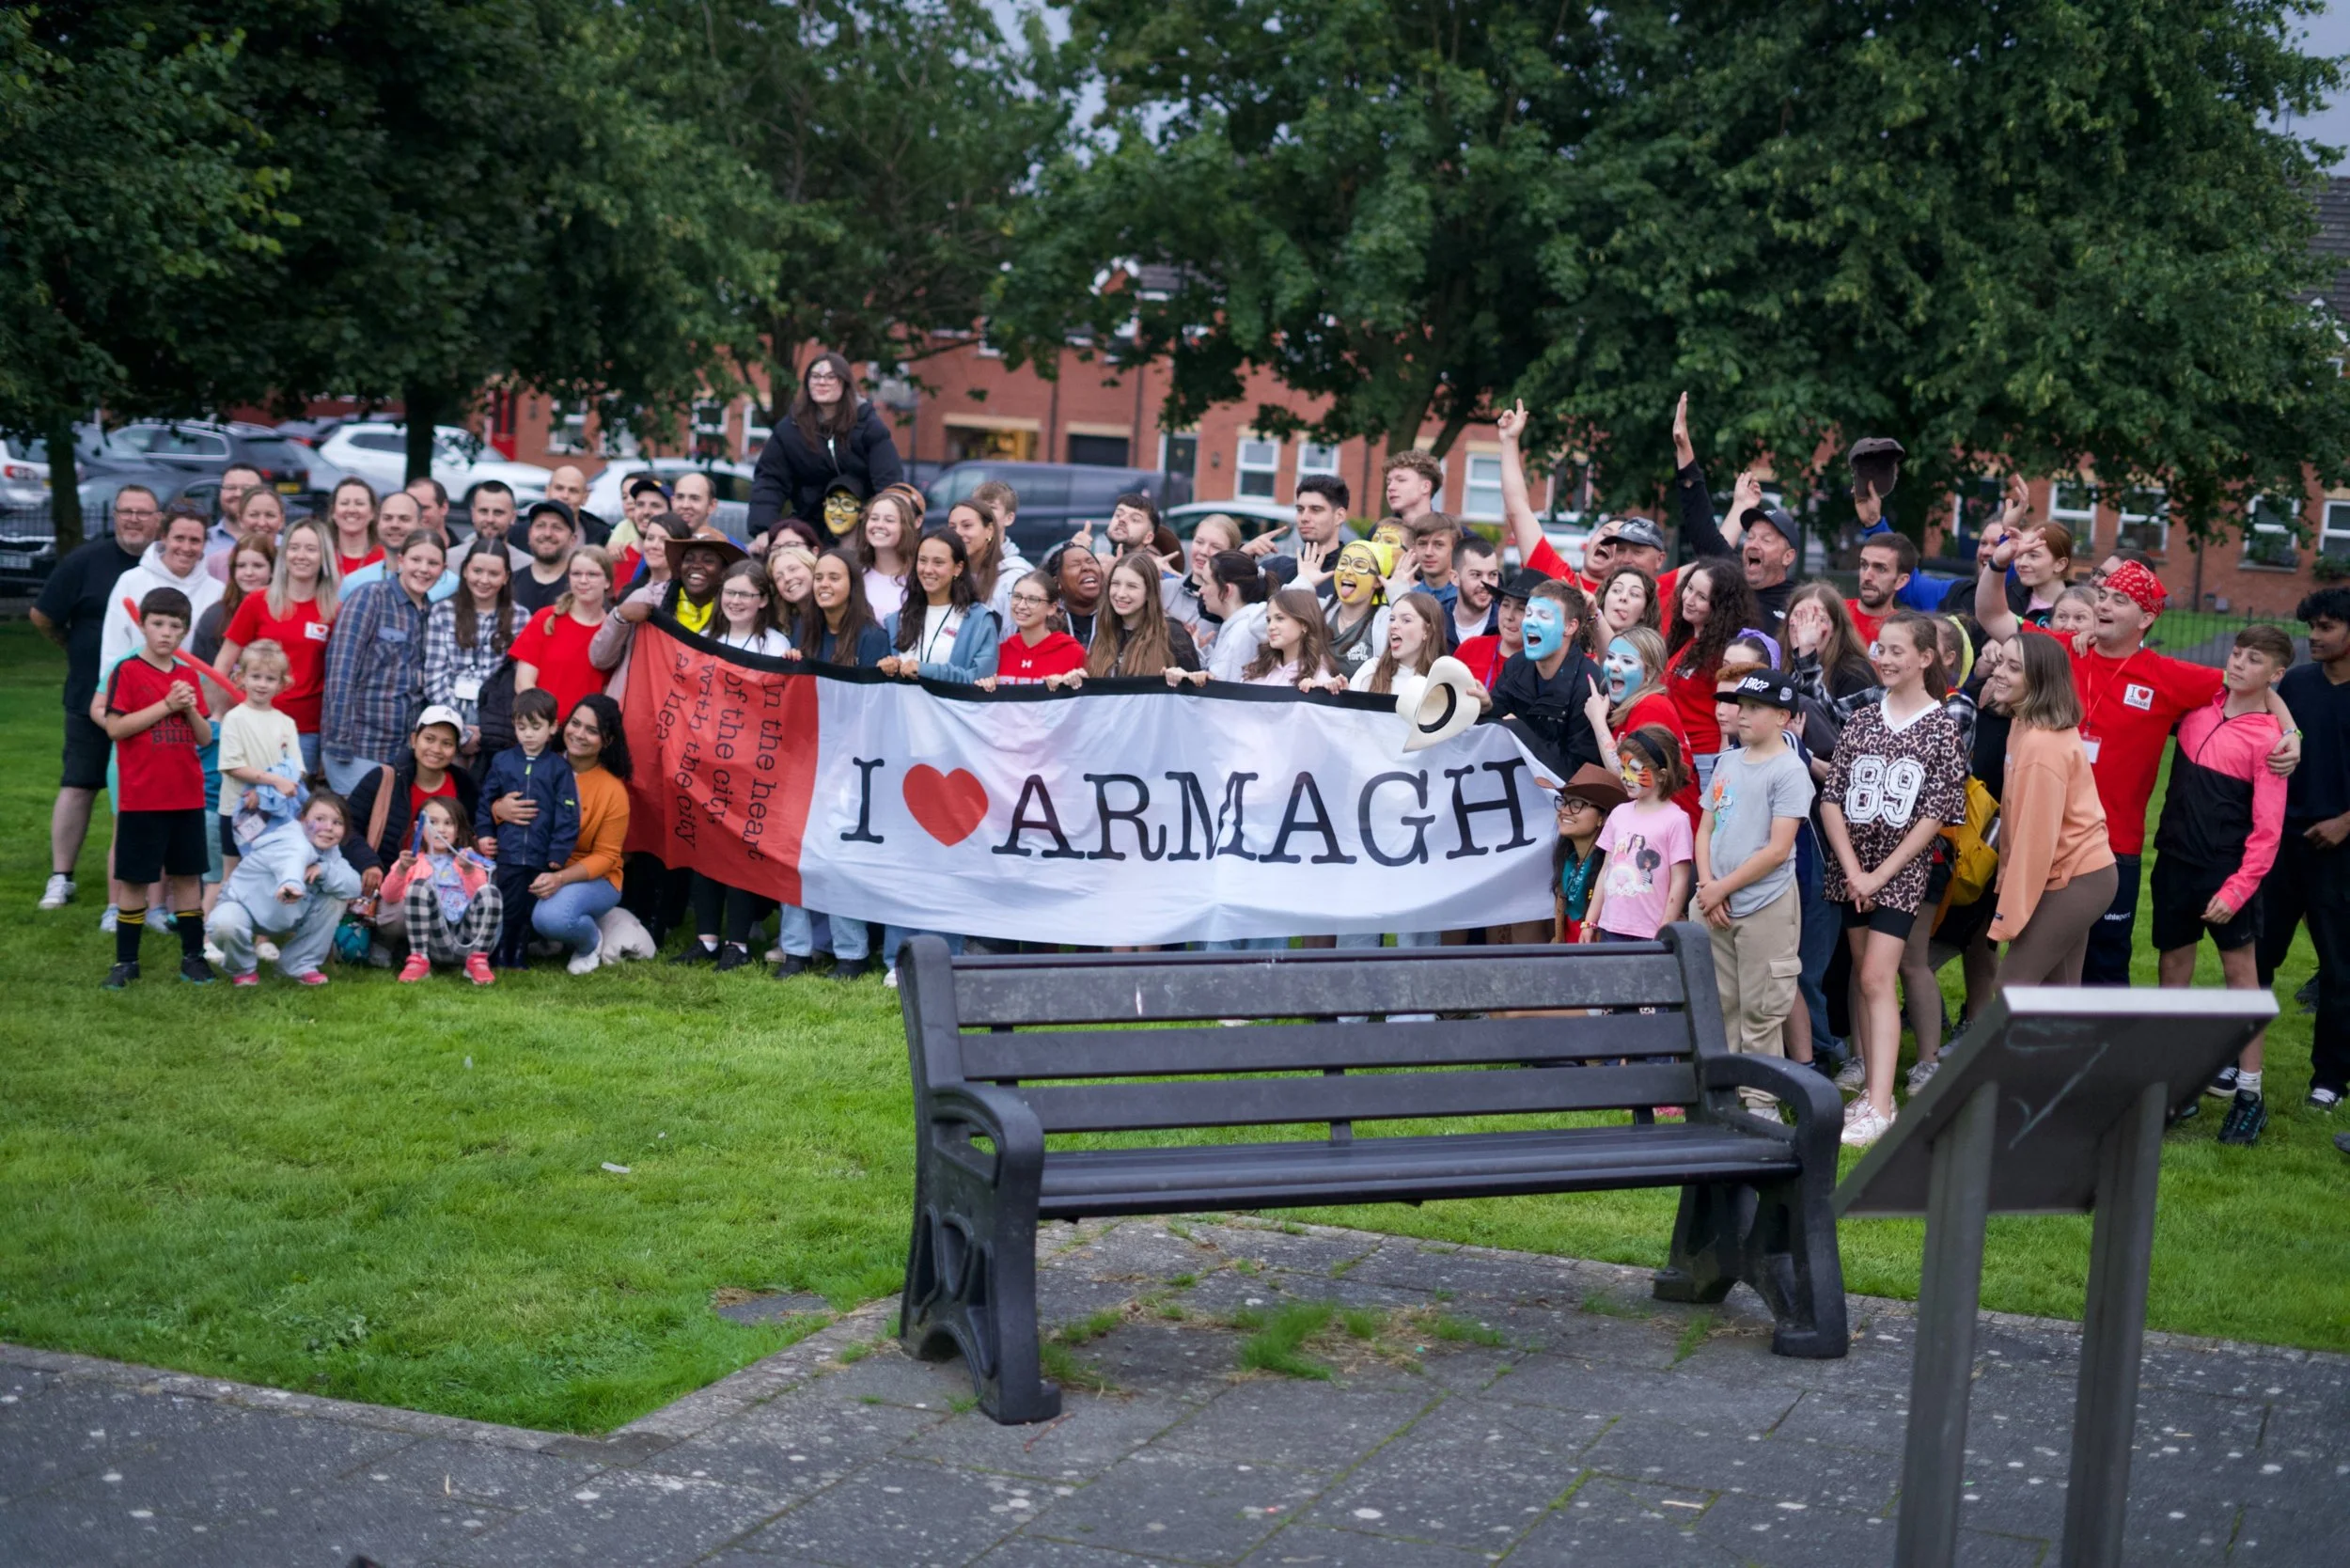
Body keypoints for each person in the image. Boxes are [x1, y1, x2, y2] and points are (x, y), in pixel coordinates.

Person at [1976, 517, 2296, 985]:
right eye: (2103, 596)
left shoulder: (2168, 676)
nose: (2103, 605)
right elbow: (1993, 617)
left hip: (2113, 849)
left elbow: (2249, 686)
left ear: (2146, 618)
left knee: (2103, 970)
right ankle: (2047, 1056)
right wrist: (1999, 564)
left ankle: (2099, 1058)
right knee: (2045, 969)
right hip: (2043, 840)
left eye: (2119, 601)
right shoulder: (2062, 649)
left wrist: (2291, 732)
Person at [1818, 613, 1969, 1145]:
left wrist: (1878, 873)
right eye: (1880, 648)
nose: (1882, 658)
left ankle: (1882, 1106)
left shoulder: (1941, 726)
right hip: (1851, 867)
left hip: (1899, 874)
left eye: (1896, 650)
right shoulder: (1861, 720)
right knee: (1864, 974)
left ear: (1925, 659)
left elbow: (1935, 815)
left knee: (1879, 978)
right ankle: (1871, 1090)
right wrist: (1854, 869)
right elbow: (1832, 796)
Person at [2152, 625, 2292, 1144]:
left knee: (2242, 979)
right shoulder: (2196, 711)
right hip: (2174, 863)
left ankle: (2250, 1094)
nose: (2237, 664)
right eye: (2236, 654)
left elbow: (2269, 829)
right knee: (2172, 968)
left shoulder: (2270, 740)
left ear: (2275, 675)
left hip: (2226, 874)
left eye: (2253, 660)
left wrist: (2238, 888)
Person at [35, 482, 161, 910]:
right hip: (93, 696)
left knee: (145, 795)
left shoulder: (162, 566)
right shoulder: (86, 560)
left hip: (148, 704)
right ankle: (61, 876)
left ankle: (145, 888)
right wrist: (74, 647)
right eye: (126, 511)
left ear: (157, 519)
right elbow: (43, 615)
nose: (134, 519)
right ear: (114, 517)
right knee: (79, 784)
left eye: (143, 512)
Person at [1696, 669, 1815, 1107]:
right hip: (1714, 902)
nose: (1740, 715)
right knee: (1722, 1003)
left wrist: (1720, 888)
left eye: (1754, 708)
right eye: (1739, 706)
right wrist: (1708, 886)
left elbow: (1778, 849)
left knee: (1761, 1009)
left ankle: (1761, 1102)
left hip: (1764, 905)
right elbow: (1706, 826)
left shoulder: (1789, 771)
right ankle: (1725, 1097)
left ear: (1783, 716)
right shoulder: (1727, 761)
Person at [96, 588, 215, 987]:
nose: (166, 633)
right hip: (142, 796)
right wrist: (165, 706)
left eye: (175, 626)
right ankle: (126, 962)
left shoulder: (188, 676)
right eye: (158, 624)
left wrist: (188, 708)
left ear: (184, 632)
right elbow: (115, 727)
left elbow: (203, 738)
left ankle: (193, 957)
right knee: (135, 879)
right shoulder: (127, 671)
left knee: (186, 877)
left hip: (186, 795)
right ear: (143, 624)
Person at [2259, 588, 2350, 1114]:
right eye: (2312, 626)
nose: (2313, 637)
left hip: (2341, 854)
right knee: (2257, 955)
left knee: (2340, 968)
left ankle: (2331, 1077)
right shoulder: (2293, 685)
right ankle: (2231, 1058)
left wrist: (2344, 823)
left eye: (2327, 627)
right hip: (2282, 847)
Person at [1983, 631, 2118, 988]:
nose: (2000, 672)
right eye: (2001, 661)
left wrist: (2006, 916)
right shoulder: (2023, 723)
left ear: (2039, 680)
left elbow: (2034, 841)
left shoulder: (2042, 747)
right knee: (2058, 995)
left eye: (2014, 667)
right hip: (2068, 873)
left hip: (2074, 876)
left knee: (2012, 986)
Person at [341, 706, 483, 957]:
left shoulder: (464, 785)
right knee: (399, 915)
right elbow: (347, 827)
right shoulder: (384, 777)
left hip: (446, 881)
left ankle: (430, 949)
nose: (436, 749)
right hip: (394, 879)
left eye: (447, 743)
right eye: (429, 739)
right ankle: (387, 940)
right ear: (414, 739)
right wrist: (369, 863)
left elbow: (474, 830)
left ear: (456, 750)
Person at [321, 532, 446, 797]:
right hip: (359, 747)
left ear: (443, 570)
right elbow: (340, 672)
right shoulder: (370, 598)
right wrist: (340, 742)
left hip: (403, 754)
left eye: (433, 563)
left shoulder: (433, 613)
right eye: (416, 560)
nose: (423, 569)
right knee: (357, 830)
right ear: (400, 561)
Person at [216, 517, 339, 778]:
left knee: (291, 807)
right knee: (247, 804)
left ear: (323, 556)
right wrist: (226, 710)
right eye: (294, 548)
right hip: (254, 720)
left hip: (305, 730)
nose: (301, 556)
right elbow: (224, 663)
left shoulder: (334, 610)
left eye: (310, 549)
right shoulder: (257, 602)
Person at [471, 685, 580, 969]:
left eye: (535, 727)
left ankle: (521, 951)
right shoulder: (503, 761)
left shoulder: (559, 768)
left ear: (553, 727)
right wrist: (484, 833)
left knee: (530, 906)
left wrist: (558, 852)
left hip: (540, 855)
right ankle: (500, 951)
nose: (528, 734)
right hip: (508, 853)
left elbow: (567, 814)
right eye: (521, 727)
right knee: (507, 903)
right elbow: (486, 801)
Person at [208, 792, 359, 987]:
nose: (328, 828)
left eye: (337, 822)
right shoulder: (292, 840)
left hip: (288, 914)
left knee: (337, 896)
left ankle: (297, 965)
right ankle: (242, 969)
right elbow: (293, 860)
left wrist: (324, 869)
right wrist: (292, 884)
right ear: (303, 820)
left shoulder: (331, 852)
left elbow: (354, 886)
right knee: (224, 924)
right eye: (320, 819)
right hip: (243, 907)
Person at [745, 351, 906, 534]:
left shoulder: (868, 426)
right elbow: (770, 479)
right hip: (809, 525)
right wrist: (762, 530)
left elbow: (889, 484)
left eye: (831, 377)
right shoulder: (790, 428)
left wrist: (883, 526)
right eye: (815, 376)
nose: (822, 382)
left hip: (862, 527)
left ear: (844, 383)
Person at [529, 693, 633, 975]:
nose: (579, 734)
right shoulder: (538, 765)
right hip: (537, 865)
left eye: (592, 730)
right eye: (575, 724)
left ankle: (590, 941)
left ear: (607, 741)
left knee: (552, 918)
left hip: (594, 878)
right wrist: (501, 809)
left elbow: (607, 856)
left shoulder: (613, 791)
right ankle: (547, 942)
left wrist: (560, 878)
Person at [1582, 727, 1695, 942]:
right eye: (1623, 768)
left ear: (1662, 775)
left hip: (1650, 933)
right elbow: (1606, 870)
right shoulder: (1618, 814)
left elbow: (1679, 880)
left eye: (1634, 769)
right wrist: (1590, 921)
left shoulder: (1676, 820)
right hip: (1611, 928)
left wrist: (1665, 929)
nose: (1625, 777)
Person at [424, 546, 525, 776]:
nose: (484, 580)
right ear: (465, 571)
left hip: (496, 719)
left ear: (506, 577)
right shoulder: (443, 611)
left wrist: (489, 730)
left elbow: (517, 678)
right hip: (448, 716)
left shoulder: (520, 617)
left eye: (493, 573)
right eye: (477, 571)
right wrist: (460, 732)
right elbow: (434, 677)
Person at [1491, 578, 1603, 779]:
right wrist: (1484, 706)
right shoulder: (1515, 666)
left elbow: (1579, 769)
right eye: (1530, 613)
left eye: (1544, 615)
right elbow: (1491, 727)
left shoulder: (1589, 684)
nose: (1530, 622)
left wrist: (1520, 732)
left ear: (1570, 627)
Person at [1664, 558, 1760, 791]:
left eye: (1702, 597)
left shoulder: (1725, 654)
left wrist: (1722, 766)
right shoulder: (1685, 642)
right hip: (1678, 756)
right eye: (1689, 589)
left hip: (1704, 762)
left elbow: (1732, 712)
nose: (1689, 599)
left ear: (1720, 607)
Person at [384, 797, 500, 985]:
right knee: (418, 885)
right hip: (434, 942)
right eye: (433, 822)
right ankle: (418, 960)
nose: (441, 829)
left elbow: (481, 899)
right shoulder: (412, 862)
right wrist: (401, 870)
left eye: (449, 823)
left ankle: (478, 961)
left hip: (468, 941)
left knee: (491, 891)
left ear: (458, 829)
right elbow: (388, 896)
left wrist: (469, 869)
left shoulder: (467, 859)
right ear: (418, 827)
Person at [213, 639, 301, 886]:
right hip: (236, 811)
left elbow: (296, 770)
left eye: (270, 679)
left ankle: (261, 923)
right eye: (256, 676)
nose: (262, 684)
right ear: (241, 678)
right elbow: (232, 765)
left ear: (282, 683)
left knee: (269, 874)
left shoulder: (286, 723)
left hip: (275, 812)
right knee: (234, 873)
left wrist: (264, 794)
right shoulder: (234, 718)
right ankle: (219, 923)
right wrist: (271, 782)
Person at [512, 546, 614, 720]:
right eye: (576, 574)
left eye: (592, 574)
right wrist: (546, 723)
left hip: (586, 734)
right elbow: (523, 683)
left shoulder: (613, 630)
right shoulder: (545, 618)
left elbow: (609, 692)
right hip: (543, 727)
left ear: (607, 582)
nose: (583, 580)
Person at [1063, 552, 1195, 683]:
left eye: (1131, 586)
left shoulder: (1173, 635)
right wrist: (1077, 680)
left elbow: (1194, 696)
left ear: (1149, 591)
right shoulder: (1102, 632)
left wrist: (1184, 678)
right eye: (1115, 584)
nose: (1120, 593)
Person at [340, 491, 460, 602]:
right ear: (378, 523)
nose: (395, 525)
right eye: (387, 518)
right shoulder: (354, 583)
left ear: (420, 524)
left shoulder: (451, 585)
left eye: (404, 519)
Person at [1552, 764, 1626, 943]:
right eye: (1564, 802)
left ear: (1603, 818)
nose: (1565, 811)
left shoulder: (1616, 872)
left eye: (1577, 804)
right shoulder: (1568, 861)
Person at [982, 571, 1087, 688]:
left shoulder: (1072, 652)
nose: (1021, 606)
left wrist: (1067, 685)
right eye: (1017, 596)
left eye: (1033, 600)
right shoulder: (999, 652)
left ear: (1052, 608)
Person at [1252, 474, 1356, 588]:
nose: (1304, 518)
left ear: (1339, 516)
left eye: (1315, 510)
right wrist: (1244, 554)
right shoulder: (1275, 569)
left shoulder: (1351, 576)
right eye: (1300, 510)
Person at [796, 547, 893, 666]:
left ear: (853, 584)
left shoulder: (873, 637)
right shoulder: (803, 628)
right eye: (818, 578)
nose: (824, 584)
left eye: (834, 578)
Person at [191, 533, 273, 667]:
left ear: (273, 570)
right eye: (241, 566)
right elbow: (202, 672)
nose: (248, 572)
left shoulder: (283, 613)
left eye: (258, 566)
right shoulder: (215, 616)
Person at [1351, 590, 1449, 694]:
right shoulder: (1371, 669)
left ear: (1427, 631)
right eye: (1392, 619)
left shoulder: (1443, 680)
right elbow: (1348, 708)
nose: (1393, 625)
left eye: (1406, 620)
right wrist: (1340, 693)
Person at [948, 494, 1027, 623]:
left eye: (967, 526)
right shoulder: (949, 574)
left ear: (989, 530)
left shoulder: (1012, 579)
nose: (958, 533)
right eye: (952, 527)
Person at [1322, 541, 1394, 683]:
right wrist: (1303, 582)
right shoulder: (1320, 609)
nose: (1347, 571)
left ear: (1378, 582)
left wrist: (1398, 595)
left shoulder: (1387, 621)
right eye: (1343, 564)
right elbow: (1270, 623)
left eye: (1359, 566)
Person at [1455, 565, 1536, 688]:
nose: (1509, 616)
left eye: (1521, 609)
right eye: (1505, 605)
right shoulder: (1471, 648)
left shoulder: (1541, 664)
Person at [1241, 588, 1337, 688]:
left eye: (1280, 618)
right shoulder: (1259, 665)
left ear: (1304, 624)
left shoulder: (1319, 679)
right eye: (1269, 620)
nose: (1270, 627)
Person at [1201, 552, 1272, 682]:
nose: (1201, 590)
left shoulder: (1242, 632)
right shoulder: (1239, 626)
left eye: (1206, 583)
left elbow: (1222, 690)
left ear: (1227, 590)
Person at [708, 559, 796, 657]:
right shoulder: (704, 638)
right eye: (730, 592)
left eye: (745, 595)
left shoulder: (775, 644)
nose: (735, 601)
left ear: (763, 600)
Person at [856, 489, 919, 621]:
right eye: (874, 518)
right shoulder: (855, 574)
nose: (879, 525)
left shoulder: (918, 578)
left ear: (904, 528)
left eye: (889, 520)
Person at [512, 499, 579, 615]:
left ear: (572, 540)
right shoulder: (510, 583)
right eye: (540, 526)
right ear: (529, 534)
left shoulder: (582, 586)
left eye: (557, 527)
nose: (547, 534)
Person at [1848, 533, 1916, 644]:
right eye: (1864, 565)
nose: (1867, 576)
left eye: (1881, 569)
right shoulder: (1833, 614)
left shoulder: (1907, 633)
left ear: (1901, 581)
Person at [202, 463, 267, 577]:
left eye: (247, 489)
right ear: (220, 492)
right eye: (231, 488)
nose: (238, 494)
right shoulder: (202, 542)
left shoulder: (282, 545)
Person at [451, 479, 528, 573]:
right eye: (483, 511)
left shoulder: (527, 567)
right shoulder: (450, 561)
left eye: (498, 512)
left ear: (513, 517)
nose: (490, 519)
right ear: (473, 514)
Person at [1448, 535, 1501, 647]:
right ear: (1454, 578)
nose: (1485, 583)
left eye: (1493, 575)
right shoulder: (1435, 621)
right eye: (1476, 575)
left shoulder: (1505, 627)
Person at [1403, 513, 1461, 615]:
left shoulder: (1464, 598)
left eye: (1438, 545)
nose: (1428, 552)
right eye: (1422, 544)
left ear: (1455, 548)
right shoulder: (1407, 596)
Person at [326, 477, 382, 577]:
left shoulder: (386, 559)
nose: (351, 510)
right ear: (333, 512)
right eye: (344, 503)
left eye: (359, 503)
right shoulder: (321, 556)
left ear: (372, 513)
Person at [544, 463, 610, 545]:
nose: (565, 496)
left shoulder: (601, 536)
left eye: (573, 491)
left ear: (585, 498)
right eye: (559, 488)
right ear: (547, 492)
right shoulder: (524, 530)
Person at [1382, 449, 1443, 525]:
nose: (1390, 487)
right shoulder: (1379, 531)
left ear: (1425, 487)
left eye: (1401, 480)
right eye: (1388, 482)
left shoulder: (1451, 532)